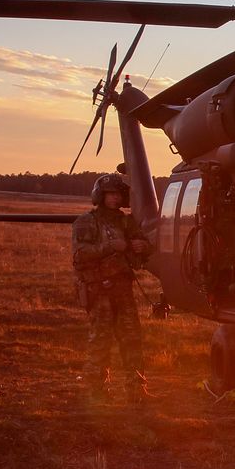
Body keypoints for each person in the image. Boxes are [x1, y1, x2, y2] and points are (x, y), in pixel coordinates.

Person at [72, 172, 153, 402]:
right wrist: (109, 247)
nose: (115, 199)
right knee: (101, 342)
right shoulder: (87, 222)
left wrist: (141, 246)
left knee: (132, 341)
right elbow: (79, 256)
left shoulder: (127, 222)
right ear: (101, 196)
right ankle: (97, 391)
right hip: (100, 292)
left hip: (123, 291)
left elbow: (147, 245)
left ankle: (136, 391)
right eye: (110, 194)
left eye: (118, 194)